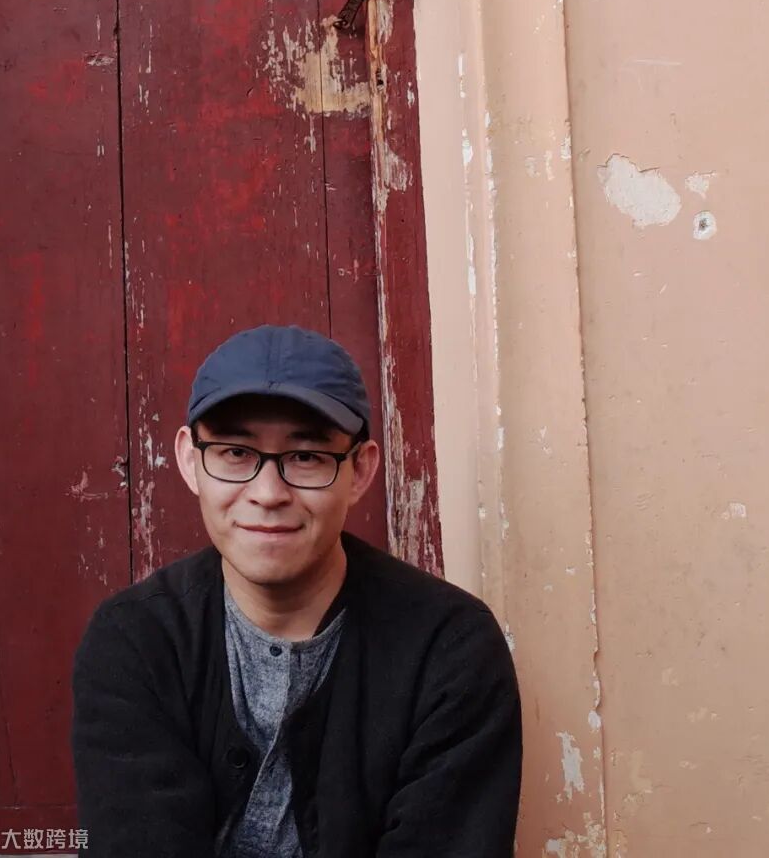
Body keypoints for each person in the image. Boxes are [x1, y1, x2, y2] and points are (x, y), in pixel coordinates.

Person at [71, 324, 522, 857]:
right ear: (191, 461)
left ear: (360, 470)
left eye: (306, 457)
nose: (268, 493)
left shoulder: (448, 648)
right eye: (235, 452)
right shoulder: (136, 640)